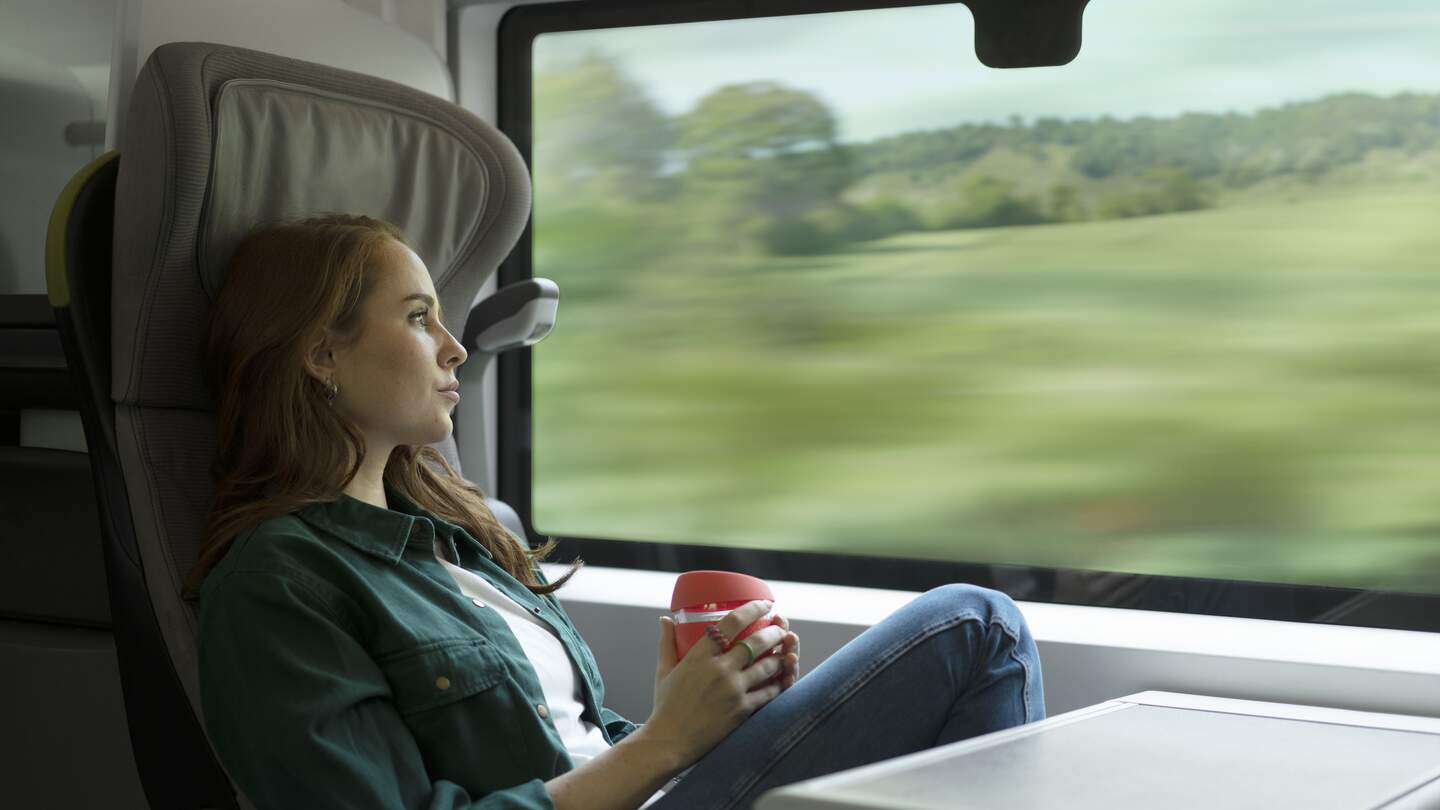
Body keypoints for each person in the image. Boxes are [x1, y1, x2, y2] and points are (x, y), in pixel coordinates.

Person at [189, 214, 1046, 810]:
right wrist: (668, 742)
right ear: (319, 353)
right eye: (419, 318)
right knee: (975, 629)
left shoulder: (456, 538)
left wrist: (699, 715)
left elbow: (574, 750)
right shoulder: (280, 584)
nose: (453, 347)